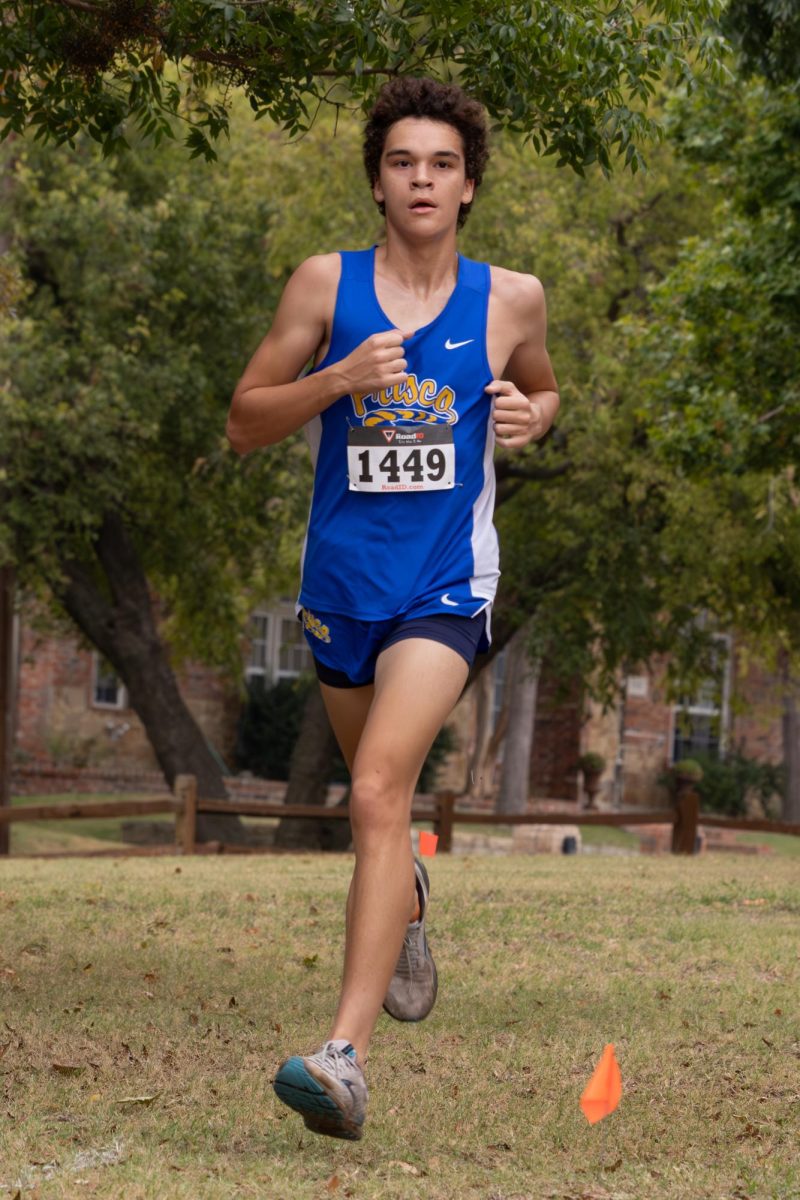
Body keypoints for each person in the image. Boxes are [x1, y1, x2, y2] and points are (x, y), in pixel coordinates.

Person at [226, 76, 559, 1141]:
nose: (422, 178)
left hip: (444, 585)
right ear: (376, 179)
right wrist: (334, 381)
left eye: (442, 164)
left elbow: (543, 387)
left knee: (377, 787)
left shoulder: (510, 299)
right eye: (403, 161)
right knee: (376, 811)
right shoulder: (325, 287)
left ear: (467, 187)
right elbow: (241, 422)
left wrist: (529, 416)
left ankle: (342, 1058)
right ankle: (406, 898)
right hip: (340, 592)